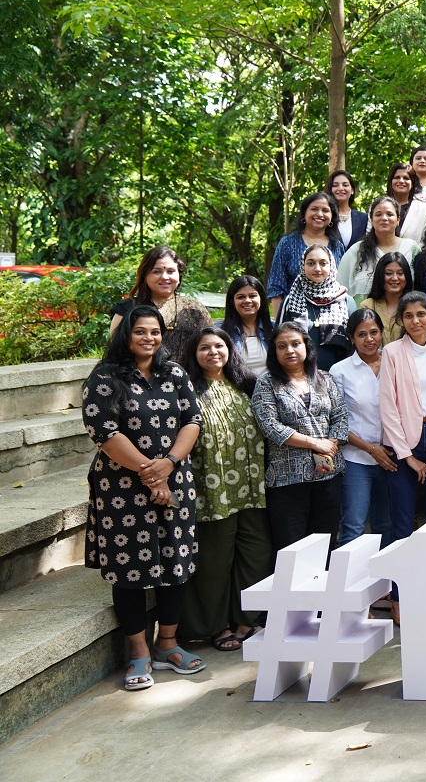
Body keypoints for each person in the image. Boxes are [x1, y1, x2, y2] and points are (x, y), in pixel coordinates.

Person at [82, 305, 204, 689]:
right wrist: (151, 476)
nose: (148, 338)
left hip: (174, 478)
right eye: (140, 332)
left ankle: (167, 644)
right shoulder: (104, 376)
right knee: (129, 569)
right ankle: (139, 653)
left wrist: (168, 464)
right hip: (121, 489)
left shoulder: (175, 372)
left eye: (154, 332)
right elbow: (104, 431)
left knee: (175, 561)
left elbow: (192, 421)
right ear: (126, 335)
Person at [176, 326, 271, 652]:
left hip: (252, 488)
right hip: (212, 492)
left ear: (230, 350)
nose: (213, 352)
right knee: (214, 564)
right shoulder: (187, 389)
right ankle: (212, 627)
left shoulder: (247, 385)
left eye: (219, 345)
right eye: (205, 347)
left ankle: (246, 621)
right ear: (195, 354)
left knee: (256, 555)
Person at [378, 292, 426, 619]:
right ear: (401, 320)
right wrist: (407, 456)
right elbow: (388, 406)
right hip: (404, 443)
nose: (415, 321)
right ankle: (399, 598)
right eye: (408, 316)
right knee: (402, 524)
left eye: (421, 314)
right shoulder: (392, 353)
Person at [252, 322, 348, 550]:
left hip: (328, 476)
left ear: (306, 346)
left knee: (325, 545)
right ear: (274, 352)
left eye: (295, 344)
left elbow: (341, 416)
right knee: (291, 549)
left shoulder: (325, 379)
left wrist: (330, 445)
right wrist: (316, 443)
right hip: (287, 480)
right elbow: (270, 426)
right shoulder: (266, 383)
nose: (290, 350)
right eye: (281, 346)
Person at [328, 310, 395, 549]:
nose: (369, 339)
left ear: (382, 333)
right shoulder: (340, 370)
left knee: (385, 524)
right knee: (354, 525)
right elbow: (336, 421)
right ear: (351, 337)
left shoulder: (394, 361)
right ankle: (349, 584)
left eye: (374, 332)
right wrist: (370, 449)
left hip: (393, 457)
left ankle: (385, 584)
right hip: (356, 459)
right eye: (362, 334)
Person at [109, 246, 212, 361]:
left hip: (188, 377)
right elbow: (116, 351)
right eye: (157, 271)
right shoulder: (127, 309)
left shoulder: (194, 309)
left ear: (179, 275)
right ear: (145, 276)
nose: (164, 277)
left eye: (170, 271)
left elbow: (210, 345)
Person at [275, 244, 356, 371]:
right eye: (311, 263)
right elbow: (278, 342)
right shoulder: (291, 301)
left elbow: (355, 344)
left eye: (323, 263)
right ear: (303, 266)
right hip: (299, 378)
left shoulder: (346, 301)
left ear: (331, 266)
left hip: (340, 378)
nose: (317, 269)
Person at [268, 193, 345, 316]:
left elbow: (342, 284)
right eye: (314, 209)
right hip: (294, 315)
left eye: (325, 210)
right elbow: (276, 288)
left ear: (331, 216)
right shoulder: (288, 243)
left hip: (331, 316)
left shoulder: (337, 246)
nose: (319, 214)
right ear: (304, 213)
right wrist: (280, 325)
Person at [337, 196, 420, 300]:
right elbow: (340, 288)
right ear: (371, 220)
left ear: (398, 220)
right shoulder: (356, 251)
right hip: (363, 314)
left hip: (403, 314)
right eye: (378, 214)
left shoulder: (411, 248)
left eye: (389, 214)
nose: (384, 218)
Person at [223, 274, 274, 377]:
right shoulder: (221, 331)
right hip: (237, 390)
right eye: (241, 297)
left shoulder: (275, 329)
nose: (247, 300)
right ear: (232, 302)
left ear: (261, 299)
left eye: (252, 296)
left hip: (272, 390)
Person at [361, 252, 415, 344]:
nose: (394, 278)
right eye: (388, 273)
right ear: (380, 276)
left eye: (400, 273)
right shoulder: (368, 306)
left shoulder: (414, 306)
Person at [398, 144, 426, 242]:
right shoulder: (404, 184)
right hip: (406, 232)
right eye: (418, 158)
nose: (422, 161)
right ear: (412, 162)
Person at [326, 170, 367, 249]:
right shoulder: (323, 217)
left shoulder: (364, 218)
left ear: (352, 190)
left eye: (345, 185)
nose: (340, 188)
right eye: (335, 185)